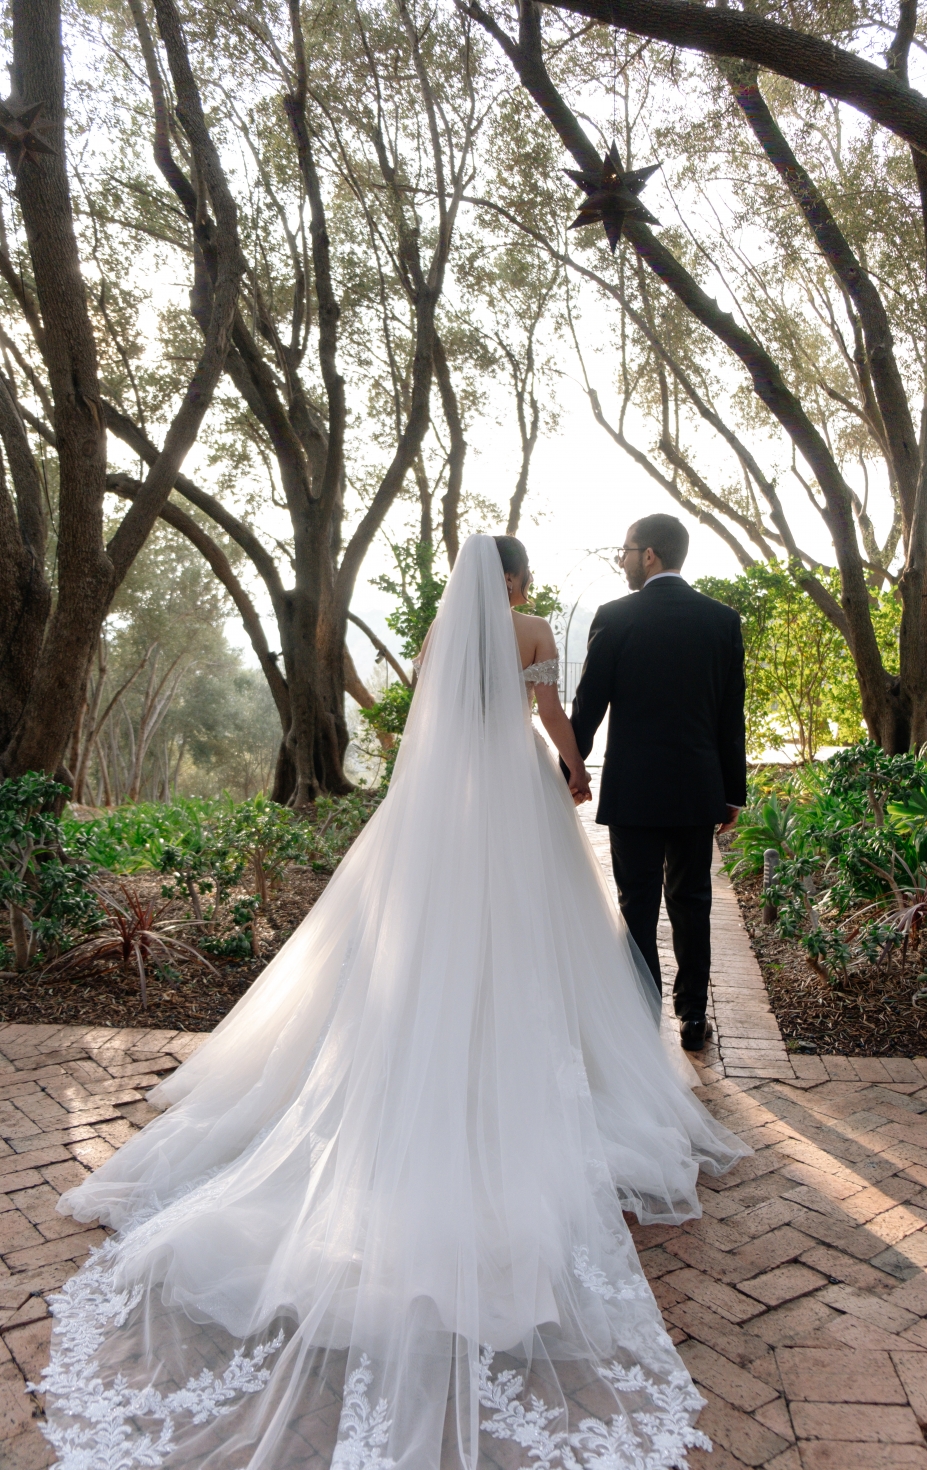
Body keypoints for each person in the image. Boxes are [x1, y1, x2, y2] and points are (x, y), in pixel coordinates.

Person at [34, 535, 748, 1470]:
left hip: (445, 808)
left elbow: (430, 724)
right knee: (536, 934)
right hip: (516, 801)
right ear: (516, 580)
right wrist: (573, 773)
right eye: (524, 577)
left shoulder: (442, 635)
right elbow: (550, 718)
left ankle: (428, 1049)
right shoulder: (532, 627)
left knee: (439, 934)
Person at [568, 514, 746, 1053]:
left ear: (648, 555)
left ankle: (641, 1017)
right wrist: (732, 792)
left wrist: (570, 768)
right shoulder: (721, 620)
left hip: (634, 790)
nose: (622, 560)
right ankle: (693, 1016)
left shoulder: (615, 617)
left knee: (637, 905)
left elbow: (589, 706)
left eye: (625, 551)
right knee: (692, 902)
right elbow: (730, 714)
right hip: (697, 789)